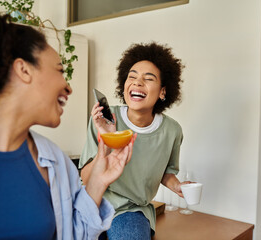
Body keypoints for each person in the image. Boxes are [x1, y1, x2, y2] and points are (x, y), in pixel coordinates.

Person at [0, 1, 135, 239]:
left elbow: (74, 234)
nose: (68, 87)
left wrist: (98, 182)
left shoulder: (56, 163)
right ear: (24, 70)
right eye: (59, 70)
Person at [79, 42, 189, 239]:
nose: (137, 83)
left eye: (148, 78)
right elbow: (86, 179)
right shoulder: (105, 118)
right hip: (93, 202)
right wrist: (106, 141)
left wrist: (178, 186)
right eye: (132, 77)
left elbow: (165, 172)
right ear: (124, 85)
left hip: (131, 210)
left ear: (163, 91)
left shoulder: (172, 131)